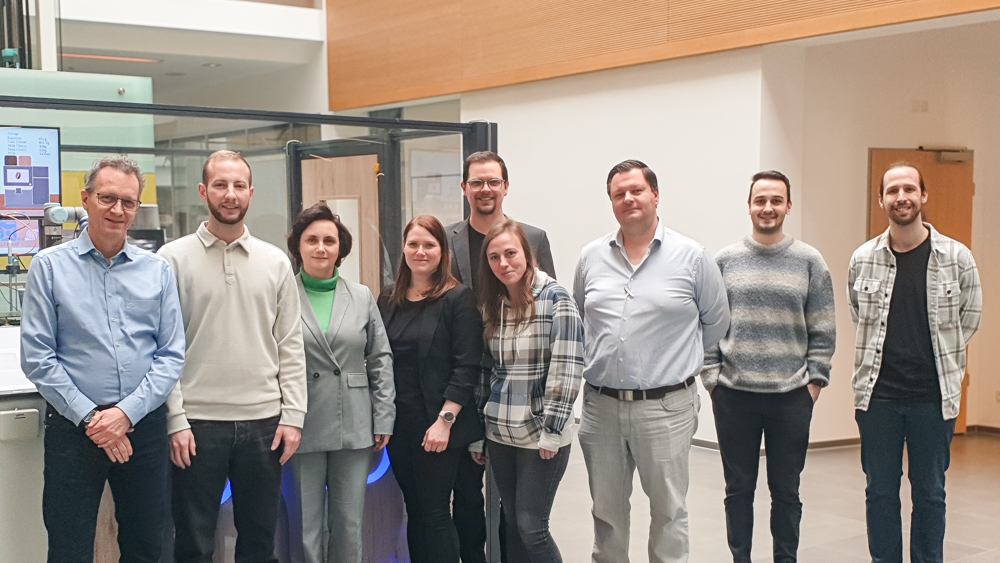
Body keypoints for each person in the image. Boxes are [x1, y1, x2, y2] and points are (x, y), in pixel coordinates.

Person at [20, 155, 186, 562]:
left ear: (137, 207)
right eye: (107, 198)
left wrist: (125, 415)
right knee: (69, 548)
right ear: (86, 199)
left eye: (128, 202)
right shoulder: (49, 267)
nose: (117, 210)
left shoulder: (157, 271)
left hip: (143, 428)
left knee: (147, 547)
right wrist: (93, 419)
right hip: (74, 430)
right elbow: (38, 357)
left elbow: (170, 355)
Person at [573, 159, 730, 563]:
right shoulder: (591, 257)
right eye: (619, 193)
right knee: (606, 512)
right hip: (600, 406)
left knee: (669, 511)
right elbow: (580, 321)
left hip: (666, 407)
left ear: (655, 195)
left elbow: (716, 323)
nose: (628, 198)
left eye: (636, 190)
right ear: (611, 201)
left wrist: (671, 359)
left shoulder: (693, 257)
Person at [158, 150, 307, 563]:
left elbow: (290, 344)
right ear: (203, 191)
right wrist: (175, 419)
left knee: (260, 544)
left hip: (264, 423)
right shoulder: (170, 260)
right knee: (193, 546)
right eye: (220, 185)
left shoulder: (276, 262)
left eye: (239, 185)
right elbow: (162, 348)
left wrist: (293, 415)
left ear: (251, 193)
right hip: (196, 425)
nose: (230, 194)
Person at [848, 162, 981, 563]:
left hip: (933, 398)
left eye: (909, 189)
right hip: (878, 398)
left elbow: (970, 319)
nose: (901, 197)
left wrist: (941, 354)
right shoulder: (863, 258)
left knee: (930, 494)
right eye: (892, 191)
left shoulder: (957, 258)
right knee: (880, 493)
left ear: (923, 195)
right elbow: (860, 317)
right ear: (881, 200)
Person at [701, 170, 836, 563]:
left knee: (787, 492)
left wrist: (814, 383)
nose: (768, 207)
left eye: (776, 200)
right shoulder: (725, 261)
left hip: (791, 396)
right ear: (749, 206)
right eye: (760, 200)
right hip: (734, 395)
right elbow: (707, 325)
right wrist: (712, 378)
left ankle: (785, 558)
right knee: (738, 490)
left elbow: (823, 326)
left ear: (788, 206)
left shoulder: (809, 261)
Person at [446, 150, 556, 563]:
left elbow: (548, 314)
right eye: (476, 182)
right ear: (464, 188)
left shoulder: (533, 237)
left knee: (519, 509)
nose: (485, 189)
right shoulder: (447, 238)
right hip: (466, 380)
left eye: (493, 181)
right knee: (467, 494)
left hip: (519, 385)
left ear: (506, 187)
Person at [282, 204, 395, 563]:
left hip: (354, 422)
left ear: (341, 248)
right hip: (301, 422)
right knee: (306, 525)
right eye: (311, 240)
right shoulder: (282, 294)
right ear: (298, 246)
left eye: (329, 241)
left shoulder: (361, 296)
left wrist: (384, 417)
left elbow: (381, 358)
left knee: (349, 523)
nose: (321, 248)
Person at [377, 214, 484, 563]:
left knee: (435, 512)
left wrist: (445, 421)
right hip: (401, 424)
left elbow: (466, 367)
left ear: (443, 251)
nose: (420, 251)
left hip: (439, 425)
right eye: (413, 244)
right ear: (403, 248)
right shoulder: (388, 298)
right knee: (415, 509)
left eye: (429, 245)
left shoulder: (458, 299)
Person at [476, 219, 583, 563]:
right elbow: (489, 371)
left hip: (540, 436)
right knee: (512, 524)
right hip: (501, 432)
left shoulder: (556, 298)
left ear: (527, 254)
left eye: (510, 253)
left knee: (532, 528)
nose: (503, 263)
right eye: (494, 257)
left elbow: (567, 368)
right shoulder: (494, 304)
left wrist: (553, 431)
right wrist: (481, 433)